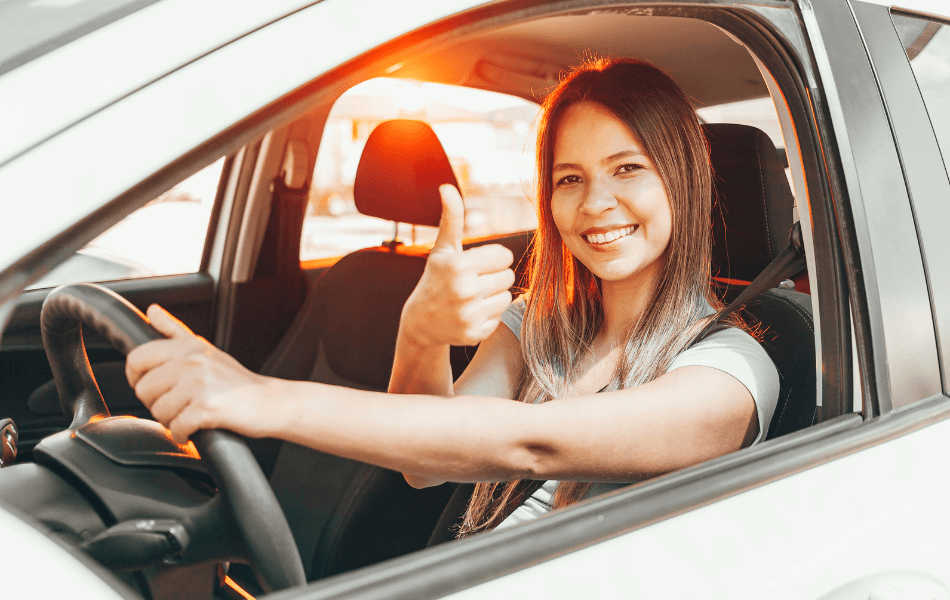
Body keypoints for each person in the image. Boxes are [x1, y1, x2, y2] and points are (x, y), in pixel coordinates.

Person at [126, 58, 779, 537]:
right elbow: (427, 467)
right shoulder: (536, 327)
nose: (595, 203)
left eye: (628, 168)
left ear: (684, 177)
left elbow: (529, 444)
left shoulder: (733, 373)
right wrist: (420, 331)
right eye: (569, 178)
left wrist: (258, 398)